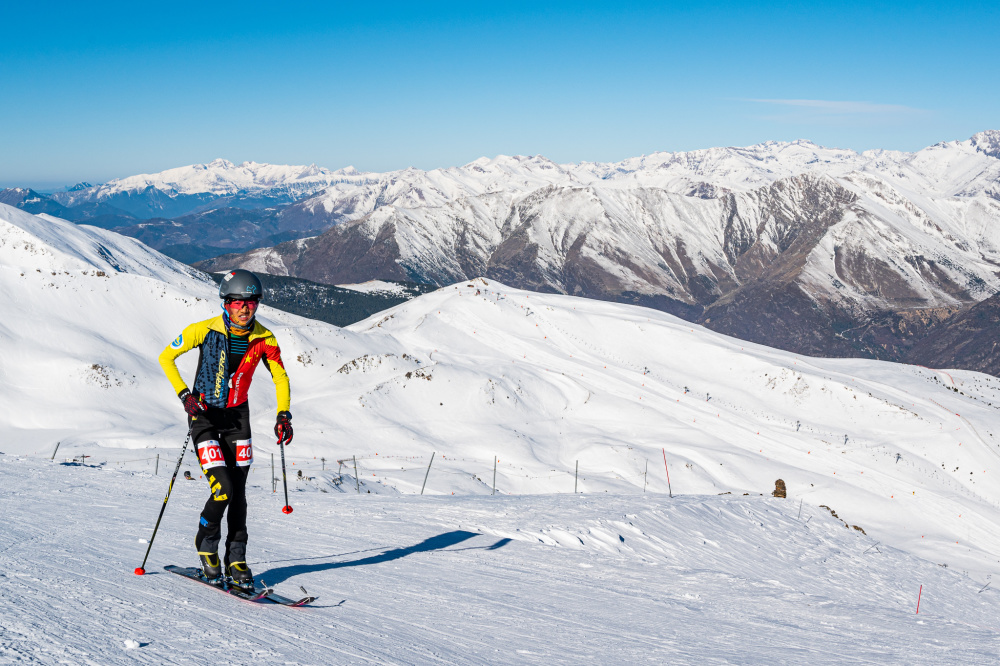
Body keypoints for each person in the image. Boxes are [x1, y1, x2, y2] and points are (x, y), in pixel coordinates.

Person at [158, 269, 293, 590]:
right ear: (226, 303)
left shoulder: (265, 339)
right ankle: (206, 541)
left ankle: (236, 558)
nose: (245, 309)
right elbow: (167, 357)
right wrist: (184, 396)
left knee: (240, 492)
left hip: (237, 420)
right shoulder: (201, 330)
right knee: (223, 488)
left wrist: (283, 413)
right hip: (203, 416)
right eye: (237, 302)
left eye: (251, 302)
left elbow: (281, 377)